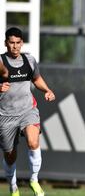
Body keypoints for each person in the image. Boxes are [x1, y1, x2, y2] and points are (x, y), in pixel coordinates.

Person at [0, 27, 55, 196]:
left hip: (27, 110)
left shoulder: (29, 60)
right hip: (5, 115)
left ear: (21, 43)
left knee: (33, 142)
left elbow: (36, 79)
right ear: (6, 43)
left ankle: (34, 180)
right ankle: (13, 186)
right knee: (10, 155)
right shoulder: (0, 62)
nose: (15, 47)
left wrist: (47, 90)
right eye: (11, 43)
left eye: (18, 43)